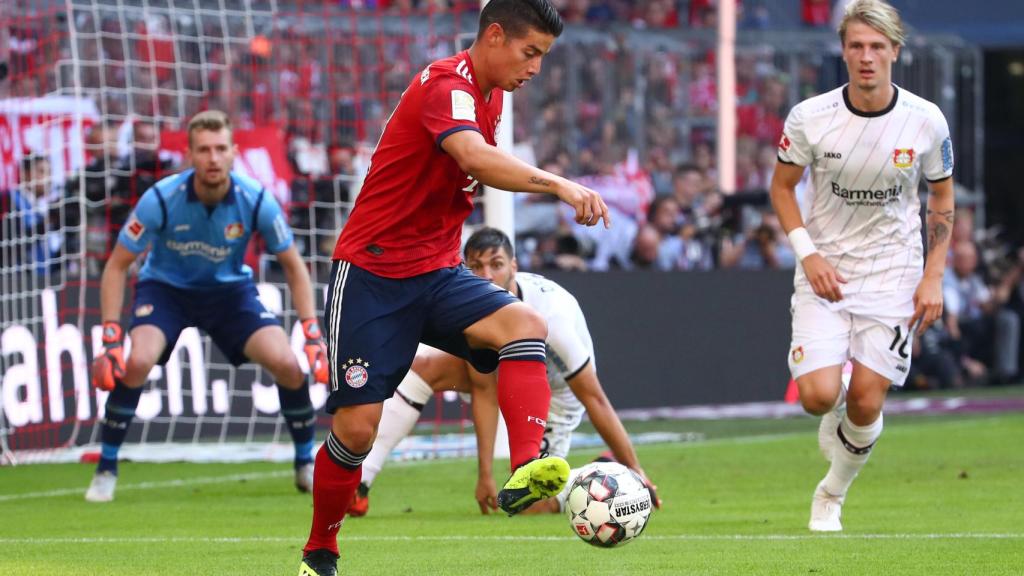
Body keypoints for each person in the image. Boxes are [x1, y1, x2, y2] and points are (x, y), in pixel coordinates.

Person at [299, 2, 611, 574]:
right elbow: (474, 158)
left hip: (438, 272)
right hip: (372, 276)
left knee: (525, 324)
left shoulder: (491, 97)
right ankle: (320, 550)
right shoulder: (448, 86)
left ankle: (527, 468)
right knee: (356, 431)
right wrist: (561, 186)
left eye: (543, 56)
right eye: (530, 52)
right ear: (494, 36)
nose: (535, 68)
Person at [770, 0, 955, 532]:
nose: (867, 57)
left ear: (895, 50)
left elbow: (942, 198)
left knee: (867, 402)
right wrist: (808, 255)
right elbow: (781, 188)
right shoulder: (811, 117)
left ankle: (831, 494)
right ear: (844, 51)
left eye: (877, 47)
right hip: (824, 270)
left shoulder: (925, 120)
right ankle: (834, 405)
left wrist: (933, 276)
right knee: (816, 397)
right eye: (856, 46)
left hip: (893, 274)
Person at [85, 110, 328, 502]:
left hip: (229, 294)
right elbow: (116, 265)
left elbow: (295, 267)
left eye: (220, 149)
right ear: (190, 155)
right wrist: (111, 338)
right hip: (166, 291)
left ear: (233, 152)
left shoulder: (256, 199)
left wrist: (312, 333)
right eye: (204, 150)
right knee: (137, 362)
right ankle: (106, 468)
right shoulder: (160, 199)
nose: (213, 158)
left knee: (287, 363)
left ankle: (304, 463)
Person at [347, 227, 658, 518]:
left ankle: (605, 470)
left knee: (531, 502)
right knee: (423, 367)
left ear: (513, 266)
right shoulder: (469, 309)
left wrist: (635, 468)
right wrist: (485, 476)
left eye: (495, 265)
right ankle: (360, 483)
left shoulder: (552, 318)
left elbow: (594, 398)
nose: (486, 275)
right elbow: (483, 388)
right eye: (476, 267)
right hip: (505, 375)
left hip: (556, 395)